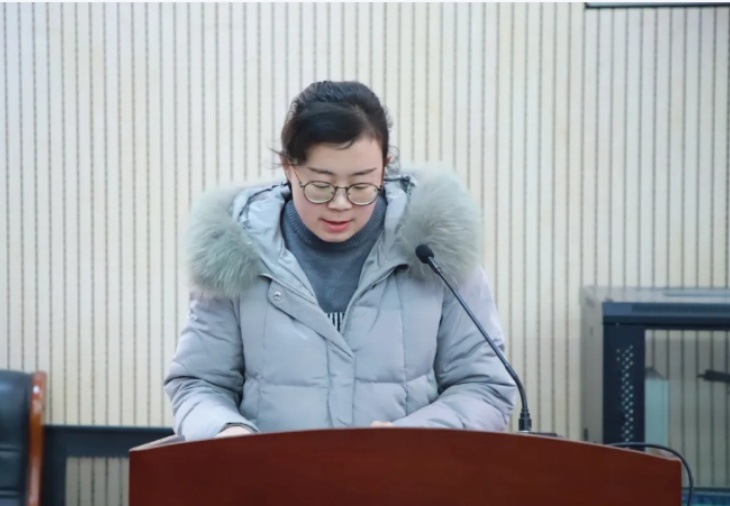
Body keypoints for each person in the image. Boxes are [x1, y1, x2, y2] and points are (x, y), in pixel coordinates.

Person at [164, 80, 516, 440]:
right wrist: (227, 432)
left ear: (385, 167)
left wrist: (411, 439)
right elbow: (198, 383)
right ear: (288, 168)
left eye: (361, 185)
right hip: (270, 474)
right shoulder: (235, 252)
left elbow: (484, 386)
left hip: (404, 474)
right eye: (321, 186)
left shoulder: (435, 250)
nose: (340, 204)